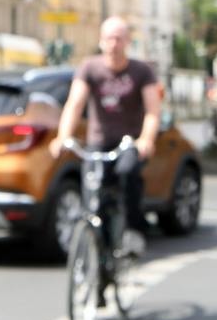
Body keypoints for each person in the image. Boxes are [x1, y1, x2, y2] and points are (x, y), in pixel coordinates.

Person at [52, 16, 162, 257]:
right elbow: (74, 104)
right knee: (93, 188)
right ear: (101, 41)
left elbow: (153, 110)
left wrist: (146, 139)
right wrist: (63, 136)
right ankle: (96, 249)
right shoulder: (90, 68)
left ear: (127, 42)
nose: (114, 44)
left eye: (119, 39)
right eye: (109, 39)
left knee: (127, 172)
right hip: (99, 142)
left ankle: (133, 230)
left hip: (128, 143)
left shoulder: (141, 71)